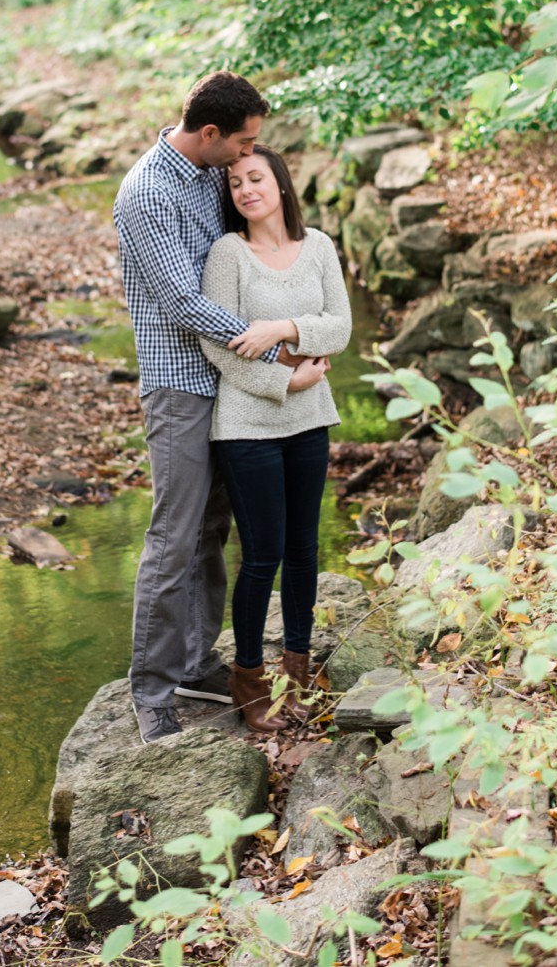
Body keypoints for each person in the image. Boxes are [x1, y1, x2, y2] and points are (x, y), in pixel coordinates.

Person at [114, 70, 295, 745]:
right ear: (210, 133)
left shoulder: (212, 172)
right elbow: (185, 303)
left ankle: (195, 662)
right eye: (245, 140)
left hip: (229, 375)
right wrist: (277, 355)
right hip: (179, 381)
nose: (250, 153)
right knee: (174, 535)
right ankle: (152, 692)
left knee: (214, 529)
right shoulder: (147, 193)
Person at [199, 145, 352, 733]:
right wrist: (286, 377)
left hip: (312, 419)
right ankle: (249, 679)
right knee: (262, 556)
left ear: (280, 184)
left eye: (255, 177)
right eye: (235, 182)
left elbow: (339, 326)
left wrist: (281, 328)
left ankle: (299, 666)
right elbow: (218, 345)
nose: (245, 189)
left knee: (305, 551)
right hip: (248, 426)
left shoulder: (318, 247)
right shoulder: (228, 254)